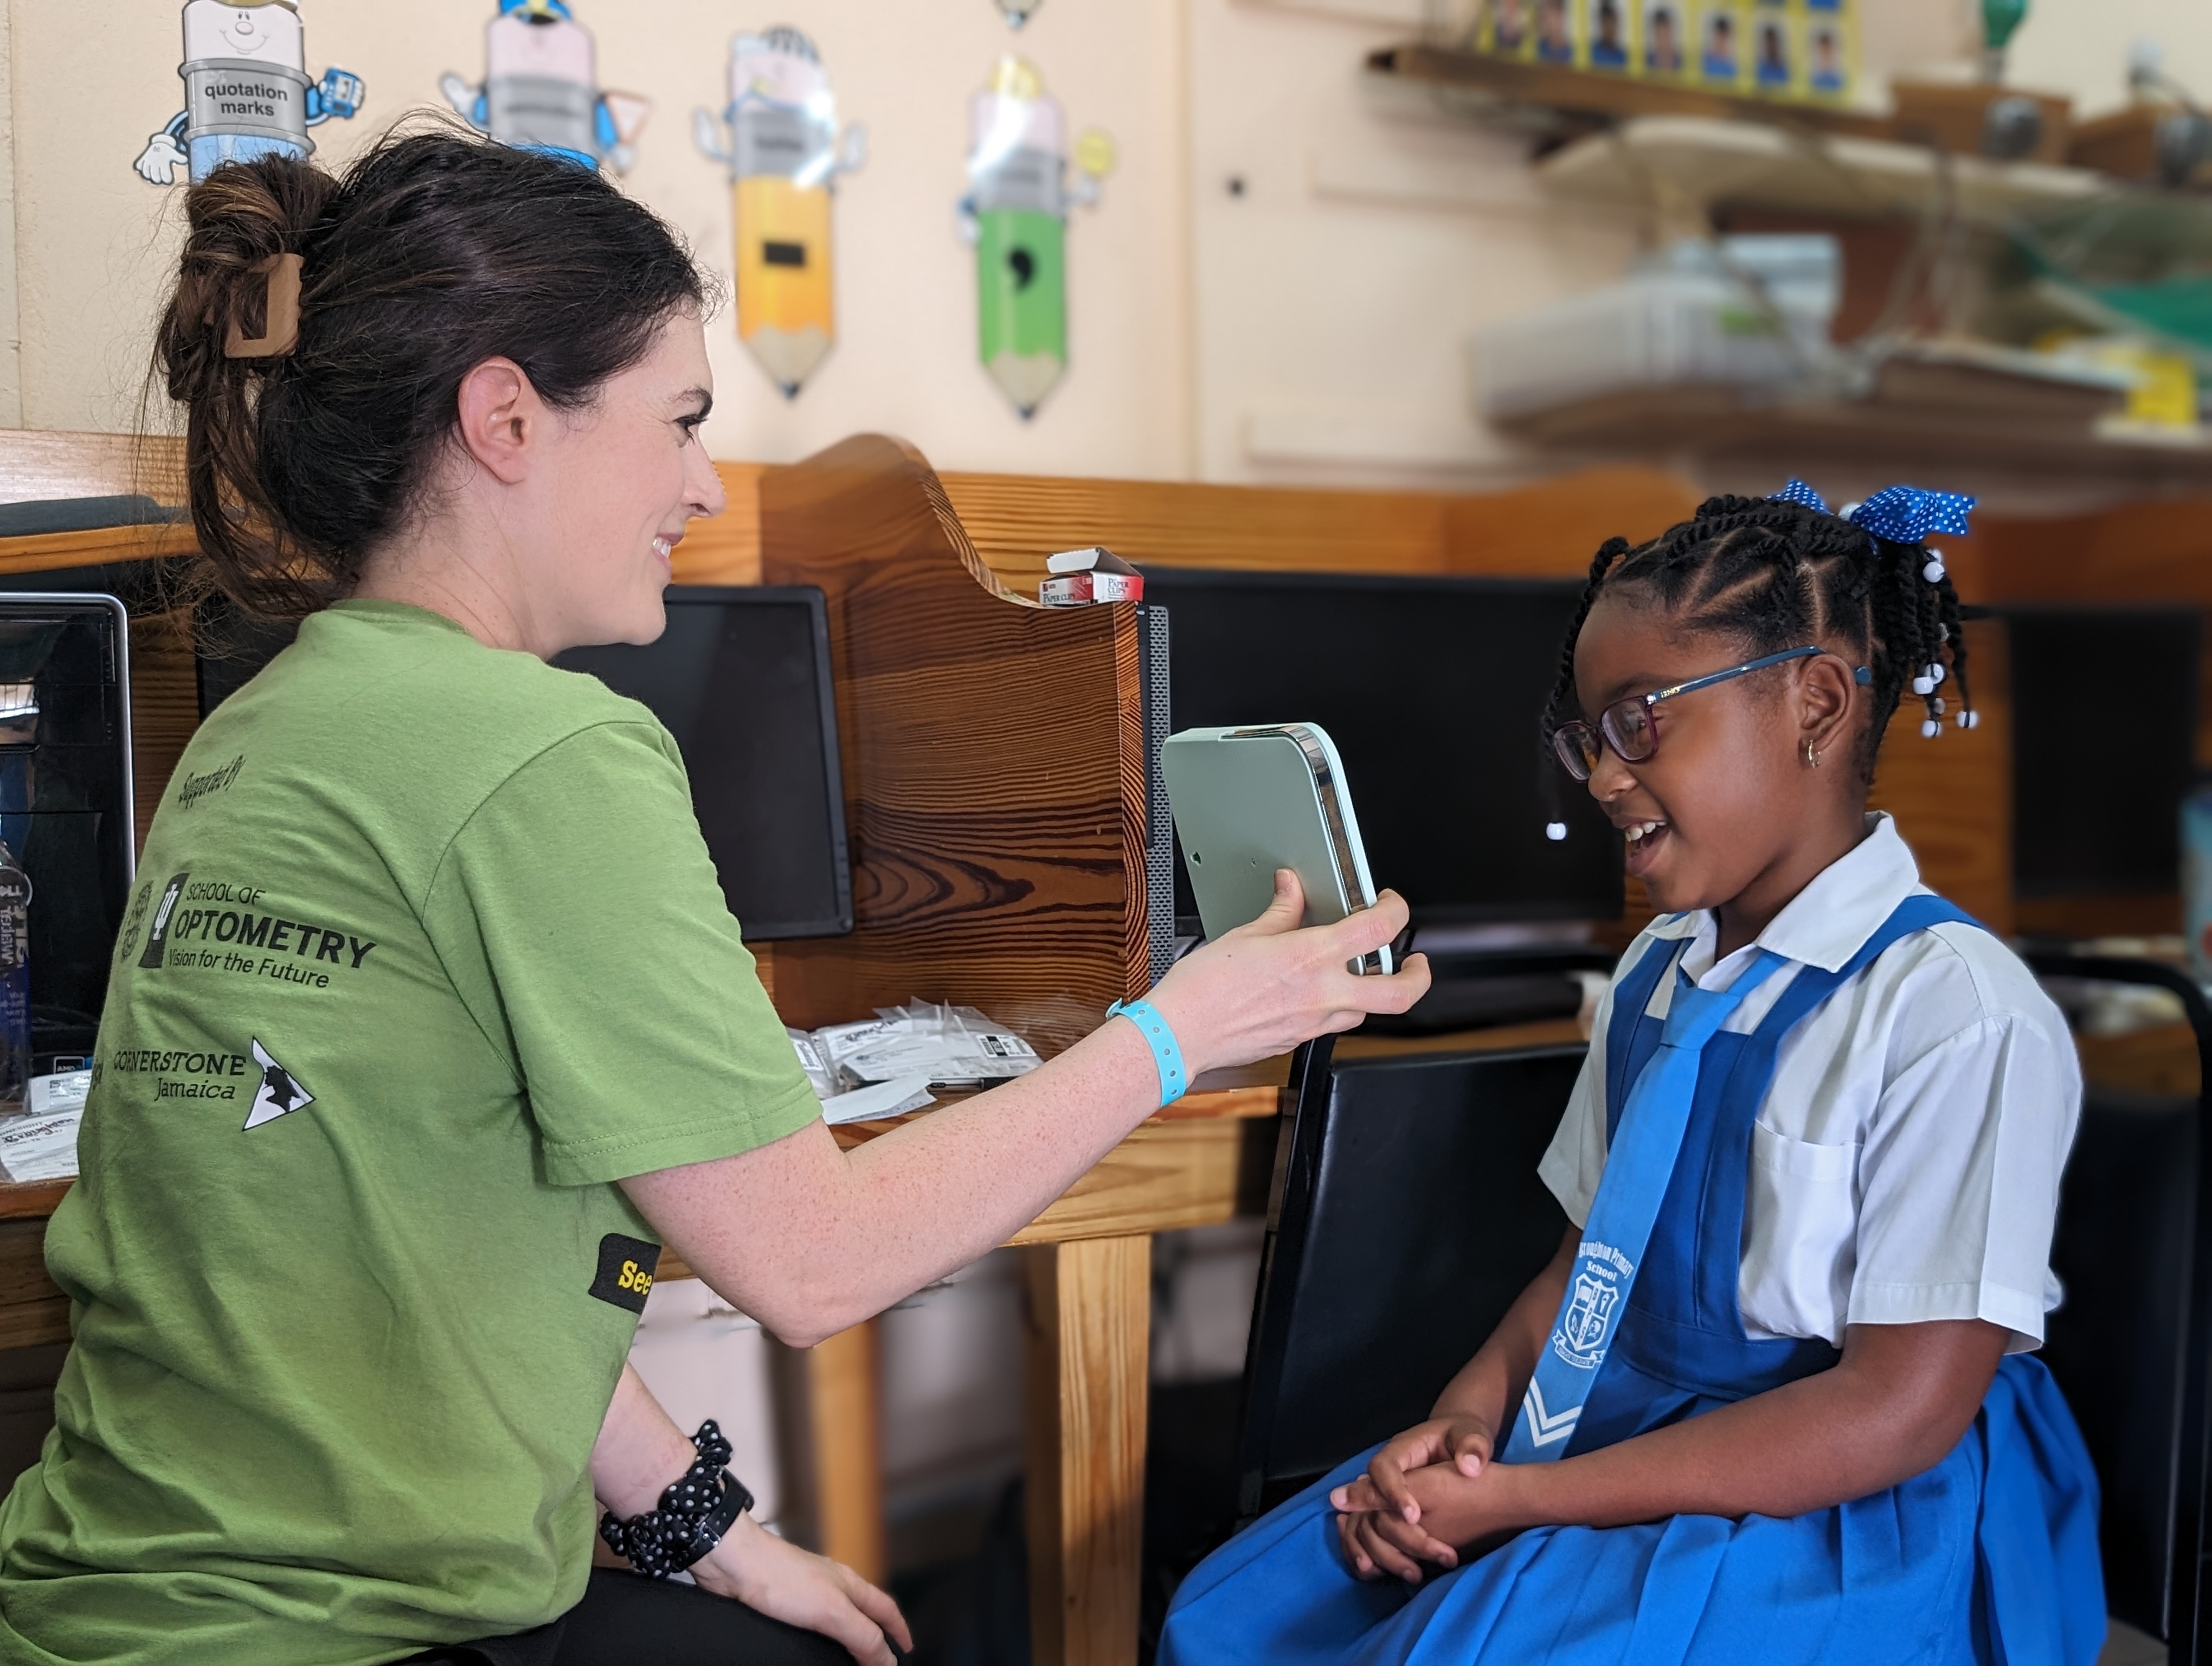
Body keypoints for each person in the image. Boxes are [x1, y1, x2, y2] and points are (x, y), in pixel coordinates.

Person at [0, 132, 1431, 1666]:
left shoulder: (255, 733)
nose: (700, 483)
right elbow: (814, 1263)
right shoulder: (545, 752)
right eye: (679, 422)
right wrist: (1169, 1036)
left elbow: (433, 1261)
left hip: (111, 1604)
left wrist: (718, 1542)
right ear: (505, 418)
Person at [1156, 483, 2106, 1666]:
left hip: (1848, 1499)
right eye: (1589, 736)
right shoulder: (1659, 970)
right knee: (1234, 1614)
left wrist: (1523, 1501)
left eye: (1642, 721)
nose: (1604, 778)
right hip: (1619, 1412)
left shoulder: (1951, 1010)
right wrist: (1463, 1426)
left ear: (1814, 703)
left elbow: (1897, 1413)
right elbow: (1584, 1273)